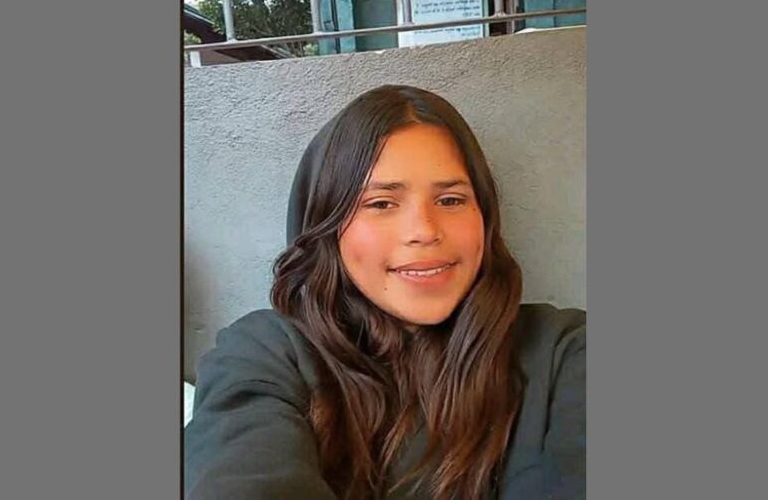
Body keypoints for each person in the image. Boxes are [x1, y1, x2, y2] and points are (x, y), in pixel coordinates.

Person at [184, 85, 586, 500]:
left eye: (451, 200)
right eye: (381, 203)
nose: (424, 231)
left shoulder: (565, 350)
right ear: (326, 224)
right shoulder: (264, 354)